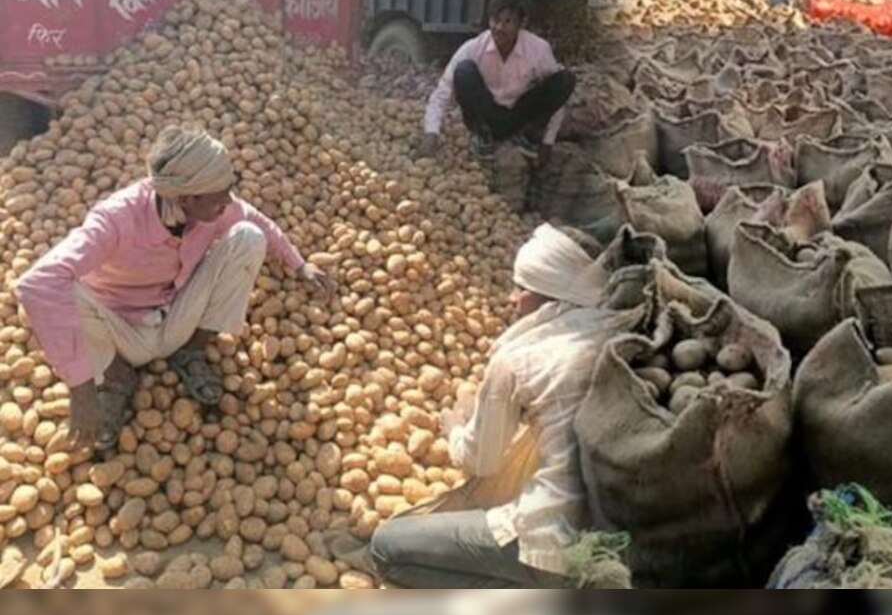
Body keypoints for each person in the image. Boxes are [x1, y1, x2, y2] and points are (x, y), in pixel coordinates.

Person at [14, 125, 334, 452]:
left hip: (175, 319)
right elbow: (37, 284)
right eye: (220, 193)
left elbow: (255, 218)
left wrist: (299, 264)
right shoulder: (116, 218)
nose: (229, 200)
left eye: (229, 188)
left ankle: (192, 352)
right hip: (122, 334)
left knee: (249, 237)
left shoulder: (211, 206)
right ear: (185, 197)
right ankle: (115, 377)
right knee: (62, 287)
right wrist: (80, 388)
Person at [368, 225, 632, 589]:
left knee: (386, 546)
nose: (511, 299)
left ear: (551, 291)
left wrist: (454, 427)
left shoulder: (520, 357)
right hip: (627, 533)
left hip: (559, 544)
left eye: (521, 288)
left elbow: (481, 462)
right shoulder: (625, 327)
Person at [417, 0, 576, 163]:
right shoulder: (474, 48)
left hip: (519, 117)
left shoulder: (538, 49)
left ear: (522, 23)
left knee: (565, 80)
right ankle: (483, 137)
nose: (499, 27)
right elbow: (443, 92)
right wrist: (431, 133)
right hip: (486, 115)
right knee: (464, 71)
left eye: (508, 22)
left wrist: (548, 142)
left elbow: (556, 98)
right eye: (495, 20)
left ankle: (523, 136)